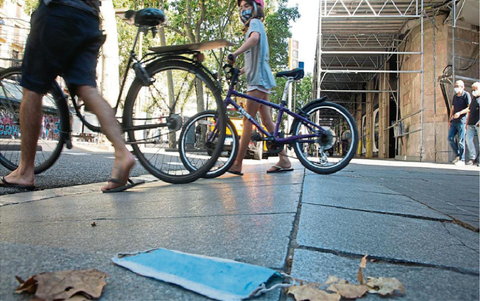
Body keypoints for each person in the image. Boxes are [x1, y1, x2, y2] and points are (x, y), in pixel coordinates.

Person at [0, 0, 143, 192]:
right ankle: (122, 151)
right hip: (89, 17)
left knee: (32, 87)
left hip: (58, 11)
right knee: (87, 88)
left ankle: (25, 171)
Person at [227, 0, 292, 175]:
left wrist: (235, 53)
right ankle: (284, 159)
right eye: (241, 8)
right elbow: (255, 57)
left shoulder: (255, 23)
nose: (243, 10)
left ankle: (237, 163)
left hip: (258, 80)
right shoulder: (254, 27)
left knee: (247, 120)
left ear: (256, 8)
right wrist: (241, 70)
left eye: (247, 6)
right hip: (260, 77)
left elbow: (254, 40)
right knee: (266, 120)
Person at [448, 80, 471, 164]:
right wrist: (450, 119)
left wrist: (460, 113)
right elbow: (453, 108)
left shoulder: (466, 95)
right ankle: (458, 155)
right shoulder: (455, 97)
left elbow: (469, 108)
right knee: (450, 138)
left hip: (462, 121)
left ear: (462, 87)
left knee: (461, 141)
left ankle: (462, 159)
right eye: (455, 86)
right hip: (454, 121)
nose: (456, 87)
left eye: (458, 86)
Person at [465, 82, 480, 166]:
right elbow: (470, 110)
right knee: (468, 140)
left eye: (475, 89)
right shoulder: (474, 99)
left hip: (478, 123)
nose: (474, 91)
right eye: (473, 89)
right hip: (470, 124)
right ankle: (472, 157)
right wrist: (467, 123)